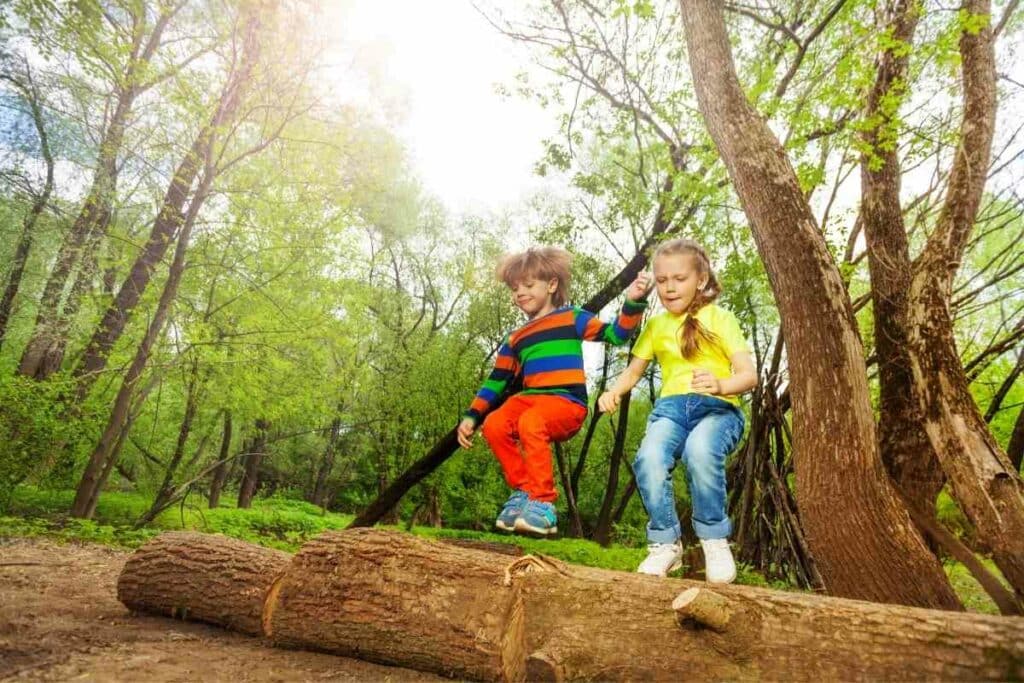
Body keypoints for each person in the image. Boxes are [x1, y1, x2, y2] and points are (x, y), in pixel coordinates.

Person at [458, 246, 650, 536]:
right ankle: (524, 490)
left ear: (551, 284)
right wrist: (472, 416)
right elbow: (496, 381)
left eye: (528, 284)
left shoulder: (573, 318)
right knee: (495, 423)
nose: (519, 292)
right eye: (514, 288)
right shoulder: (516, 338)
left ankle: (543, 503)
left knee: (530, 422)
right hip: (532, 400)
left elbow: (617, 335)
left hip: (566, 403)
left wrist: (633, 302)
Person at [598, 238, 756, 583]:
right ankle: (665, 544)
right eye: (662, 280)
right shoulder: (656, 326)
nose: (669, 288)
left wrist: (720, 384)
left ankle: (714, 539)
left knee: (700, 451)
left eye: (679, 279)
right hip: (670, 411)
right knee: (649, 457)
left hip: (717, 410)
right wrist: (614, 391)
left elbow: (749, 376)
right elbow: (633, 371)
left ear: (700, 279)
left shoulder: (720, 318)